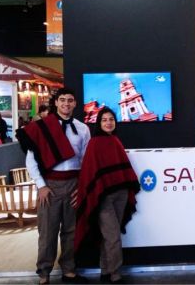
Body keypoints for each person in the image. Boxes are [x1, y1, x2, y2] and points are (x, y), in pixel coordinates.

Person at [16, 87, 90, 285]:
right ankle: (44, 272)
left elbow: (86, 160)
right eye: (63, 100)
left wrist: (81, 186)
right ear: (56, 103)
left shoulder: (83, 128)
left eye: (70, 100)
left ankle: (69, 270)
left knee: (71, 230)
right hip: (49, 185)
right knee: (47, 231)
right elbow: (31, 161)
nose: (66, 103)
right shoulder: (41, 128)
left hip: (73, 184)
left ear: (75, 104)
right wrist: (41, 186)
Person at [75, 107, 140, 284]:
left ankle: (105, 270)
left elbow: (123, 168)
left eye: (111, 119)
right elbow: (91, 172)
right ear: (99, 122)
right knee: (112, 236)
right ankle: (115, 273)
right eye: (104, 120)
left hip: (120, 193)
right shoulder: (95, 143)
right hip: (103, 197)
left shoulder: (115, 140)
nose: (108, 122)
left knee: (109, 235)